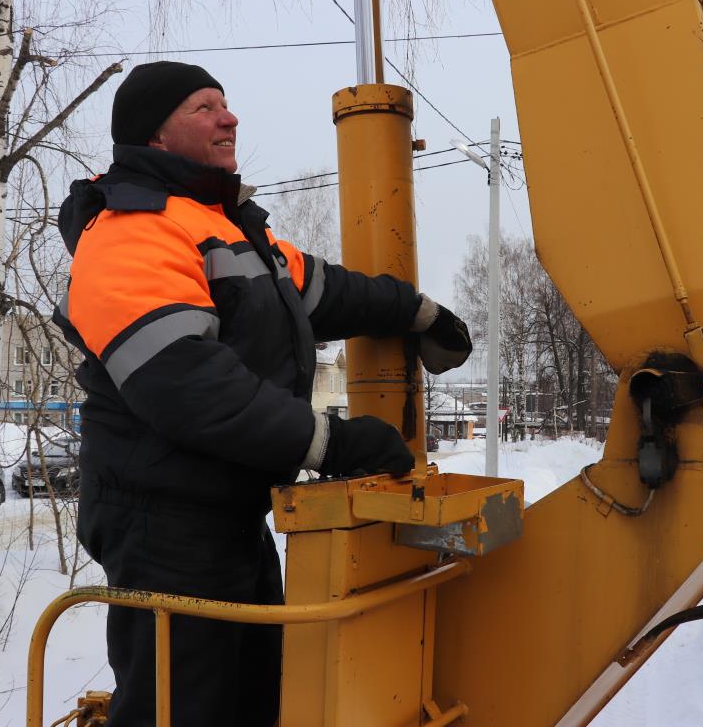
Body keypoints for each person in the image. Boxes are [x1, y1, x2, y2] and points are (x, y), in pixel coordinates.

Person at [53, 61, 472, 726]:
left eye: (226, 102)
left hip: (227, 517)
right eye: (204, 107)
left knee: (261, 699)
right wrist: (330, 443)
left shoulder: (222, 225)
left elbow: (321, 289)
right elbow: (188, 385)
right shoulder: (132, 231)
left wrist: (415, 311)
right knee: (180, 712)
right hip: (162, 525)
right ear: (154, 136)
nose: (229, 116)